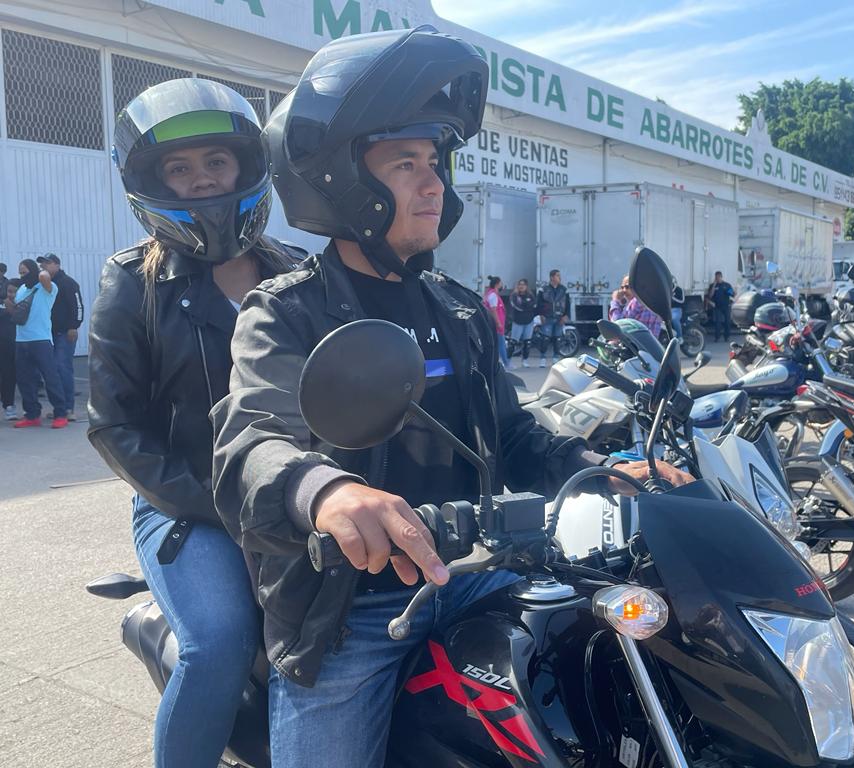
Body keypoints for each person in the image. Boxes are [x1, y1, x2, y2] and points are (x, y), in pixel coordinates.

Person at [209, 28, 691, 768]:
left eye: (434, 162)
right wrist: (327, 491)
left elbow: (515, 433)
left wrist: (603, 469)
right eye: (405, 164)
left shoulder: (459, 311)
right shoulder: (286, 311)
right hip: (355, 609)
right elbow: (253, 440)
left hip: (484, 572)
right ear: (341, 179)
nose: (433, 183)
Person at [86, 78, 300, 768]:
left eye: (216, 161)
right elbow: (113, 426)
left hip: (299, 496)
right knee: (218, 642)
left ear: (246, 166)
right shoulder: (134, 282)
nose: (202, 179)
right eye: (179, 168)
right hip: (186, 505)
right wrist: (222, 507)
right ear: (153, 183)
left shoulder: (298, 274)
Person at [6, 259, 65, 428]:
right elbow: (18, 314)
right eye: (20, 273)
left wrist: (42, 271)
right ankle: (32, 414)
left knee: (50, 377)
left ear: (34, 271)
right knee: (25, 380)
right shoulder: (22, 290)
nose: (22, 276)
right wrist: (9, 305)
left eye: (25, 272)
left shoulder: (48, 288)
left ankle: (60, 413)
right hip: (21, 339)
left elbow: (44, 276)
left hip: (41, 340)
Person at [36, 253, 83, 420]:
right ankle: (59, 408)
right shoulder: (43, 285)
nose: (44, 266)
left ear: (57, 264)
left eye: (47, 263)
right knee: (51, 371)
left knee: (62, 368)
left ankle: (69, 408)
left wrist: (74, 326)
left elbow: (78, 306)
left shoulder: (68, 283)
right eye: (42, 264)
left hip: (64, 334)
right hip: (47, 334)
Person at [536, 268, 570, 367]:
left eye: (559, 275)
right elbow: (539, 304)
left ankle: (555, 358)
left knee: (558, 339)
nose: (560, 277)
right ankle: (542, 358)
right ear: (552, 277)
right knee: (545, 338)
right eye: (557, 275)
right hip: (547, 317)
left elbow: (568, 304)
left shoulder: (564, 290)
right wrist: (541, 315)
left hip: (560, 317)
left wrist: (566, 315)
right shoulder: (543, 289)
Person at [508, 278, 536, 367]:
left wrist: (526, 305)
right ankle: (507, 361)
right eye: (520, 284)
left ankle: (525, 360)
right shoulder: (514, 296)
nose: (521, 286)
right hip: (518, 321)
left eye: (523, 284)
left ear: (526, 286)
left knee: (527, 342)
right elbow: (517, 306)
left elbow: (533, 305)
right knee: (513, 342)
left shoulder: (531, 295)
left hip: (529, 321)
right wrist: (526, 306)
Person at [0, 278, 17, 419]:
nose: (11, 295)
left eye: (14, 292)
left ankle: (9, 405)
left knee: (9, 377)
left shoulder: (23, 305)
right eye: (9, 292)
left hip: (12, 348)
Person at [482, 275, 508, 368]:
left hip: (494, 324)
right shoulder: (493, 295)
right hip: (496, 325)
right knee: (501, 344)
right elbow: (493, 310)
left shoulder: (491, 294)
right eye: (501, 283)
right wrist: (498, 323)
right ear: (497, 284)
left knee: (498, 344)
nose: (502, 285)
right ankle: (506, 363)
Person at [706, 270, 734, 341]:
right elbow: (710, 295)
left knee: (727, 322)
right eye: (716, 278)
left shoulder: (726, 285)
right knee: (717, 322)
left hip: (726, 306)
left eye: (718, 277)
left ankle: (727, 337)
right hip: (717, 306)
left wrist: (733, 292)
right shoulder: (713, 286)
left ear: (721, 277)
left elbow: (732, 294)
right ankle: (717, 337)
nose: (717, 279)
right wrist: (714, 285)